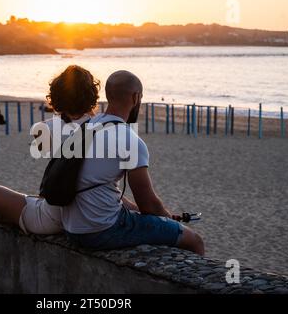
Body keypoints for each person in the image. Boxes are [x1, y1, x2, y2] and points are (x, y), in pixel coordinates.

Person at [61, 70, 205, 255]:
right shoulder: (129, 139)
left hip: (71, 227)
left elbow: (96, 185)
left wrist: (142, 212)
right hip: (101, 230)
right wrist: (169, 220)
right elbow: (148, 204)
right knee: (194, 241)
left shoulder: (85, 128)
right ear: (136, 97)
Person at [0, 65, 100, 235]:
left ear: (56, 97)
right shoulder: (103, 129)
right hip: (86, 215)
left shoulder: (44, 129)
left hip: (52, 219)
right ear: (91, 96)